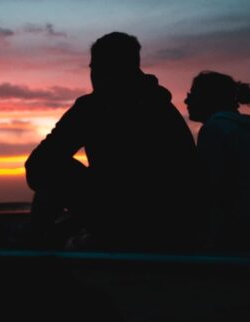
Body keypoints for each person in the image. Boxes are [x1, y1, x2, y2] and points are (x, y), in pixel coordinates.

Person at [22, 32, 201, 250]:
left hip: (126, 225)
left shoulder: (93, 107)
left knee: (53, 166)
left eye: (96, 67)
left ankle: (36, 243)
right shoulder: (163, 107)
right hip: (177, 227)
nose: (93, 75)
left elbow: (38, 166)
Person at [184, 71, 250, 249]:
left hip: (238, 234)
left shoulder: (215, 129)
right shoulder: (239, 128)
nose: (186, 101)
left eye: (192, 95)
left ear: (209, 98)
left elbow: (213, 188)